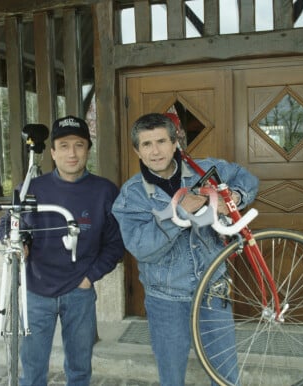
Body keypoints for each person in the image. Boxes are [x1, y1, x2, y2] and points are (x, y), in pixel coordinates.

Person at [111, 113, 259, 386]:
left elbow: (246, 178)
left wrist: (234, 197)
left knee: (225, 375)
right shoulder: (131, 195)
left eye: (161, 141)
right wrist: (179, 213)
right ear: (137, 150)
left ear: (175, 142)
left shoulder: (204, 170)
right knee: (172, 377)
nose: (155, 151)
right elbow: (142, 248)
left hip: (213, 290)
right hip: (166, 299)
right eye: (146, 144)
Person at [0, 115, 125, 386]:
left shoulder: (104, 191)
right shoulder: (31, 188)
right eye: (64, 146)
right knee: (32, 371)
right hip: (36, 292)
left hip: (79, 293)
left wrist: (89, 278)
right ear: (52, 152)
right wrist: (19, 243)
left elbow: (115, 244)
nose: (72, 153)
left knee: (79, 370)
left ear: (88, 150)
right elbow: (7, 225)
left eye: (79, 145)